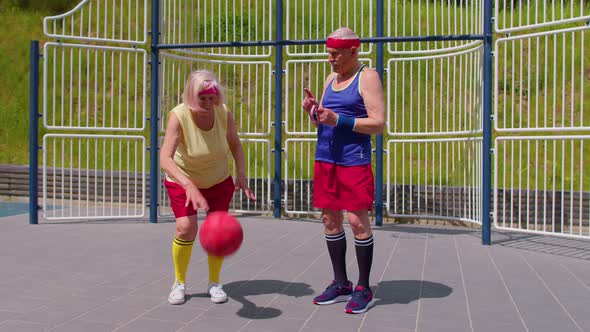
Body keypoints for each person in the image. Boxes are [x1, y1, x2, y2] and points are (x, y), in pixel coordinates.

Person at [301, 27, 385, 314]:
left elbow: (378, 123)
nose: (330, 58)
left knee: (357, 221)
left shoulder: (368, 77)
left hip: (354, 160)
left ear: (353, 51)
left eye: (336, 53)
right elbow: (325, 120)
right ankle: (341, 283)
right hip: (326, 159)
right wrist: (314, 111)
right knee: (329, 220)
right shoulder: (330, 78)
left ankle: (364, 288)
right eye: (329, 53)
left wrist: (340, 120)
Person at [160, 70, 256, 305]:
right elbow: (165, 158)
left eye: (211, 98)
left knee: (218, 231)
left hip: (218, 179)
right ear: (191, 96)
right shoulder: (178, 116)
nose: (207, 102)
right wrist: (187, 183)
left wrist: (241, 174)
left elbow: (235, 144)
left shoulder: (224, 114)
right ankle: (179, 282)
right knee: (185, 228)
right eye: (202, 98)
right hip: (183, 180)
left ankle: (214, 282)